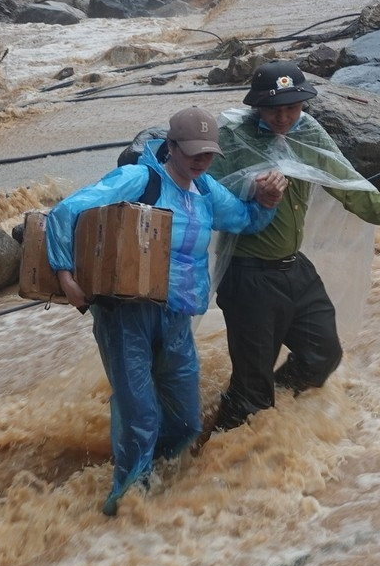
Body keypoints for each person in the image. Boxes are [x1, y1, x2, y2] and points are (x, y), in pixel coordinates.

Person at [47, 107, 285, 517]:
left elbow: (245, 221)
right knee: (141, 416)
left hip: (177, 318)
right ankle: (127, 504)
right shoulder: (140, 179)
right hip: (126, 314)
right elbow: (65, 212)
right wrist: (66, 276)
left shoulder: (207, 190)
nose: (201, 160)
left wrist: (267, 201)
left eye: (208, 153)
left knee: (186, 420)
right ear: (170, 146)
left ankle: (160, 480)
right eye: (192, 152)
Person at [208, 60, 380, 433]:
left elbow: (348, 185)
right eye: (273, 108)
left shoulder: (308, 132)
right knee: (252, 389)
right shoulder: (234, 136)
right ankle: (215, 458)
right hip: (248, 275)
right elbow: (203, 193)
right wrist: (252, 190)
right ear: (257, 107)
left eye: (292, 107)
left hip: (294, 268)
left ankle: (275, 410)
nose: (283, 117)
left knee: (322, 355)